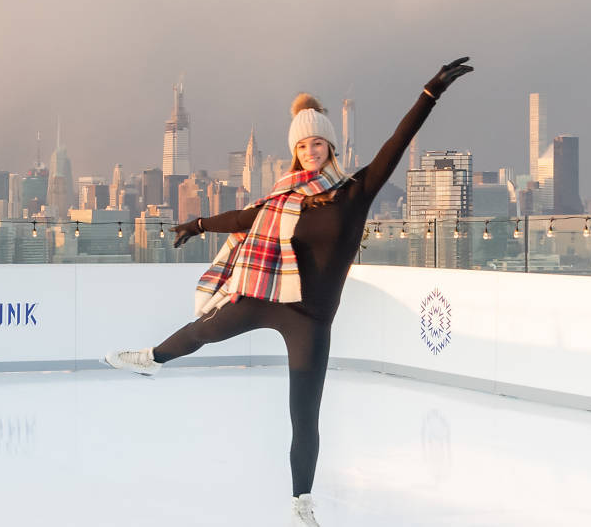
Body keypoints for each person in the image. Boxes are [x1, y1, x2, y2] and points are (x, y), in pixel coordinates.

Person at [104, 57, 473, 526]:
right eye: (303, 145)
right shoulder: (283, 196)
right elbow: (245, 220)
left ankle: (302, 501)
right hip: (267, 294)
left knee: (304, 413)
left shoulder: (354, 192)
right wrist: (197, 224)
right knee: (204, 331)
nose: (311, 151)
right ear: (294, 151)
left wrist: (431, 91)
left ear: (330, 146)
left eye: (318, 142)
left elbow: (395, 146)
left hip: (311, 318)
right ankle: (152, 358)